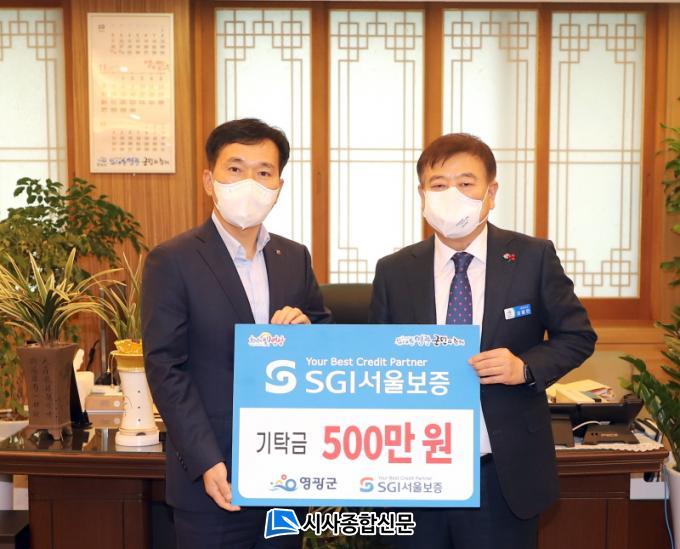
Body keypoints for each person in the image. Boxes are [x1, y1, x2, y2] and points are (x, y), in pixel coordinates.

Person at [369, 133, 597, 549]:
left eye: (466, 183)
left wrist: (524, 367)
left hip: (500, 472)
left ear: (491, 193)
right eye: (439, 185)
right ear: (422, 195)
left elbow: (578, 336)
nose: (452, 195)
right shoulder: (395, 270)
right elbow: (378, 361)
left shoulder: (531, 257)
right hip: (415, 472)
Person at [142, 118, 331, 548]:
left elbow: (324, 337)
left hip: (284, 473)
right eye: (235, 169)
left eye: (263, 172)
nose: (250, 183)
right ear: (209, 181)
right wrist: (206, 460)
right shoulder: (172, 260)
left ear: (278, 186)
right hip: (212, 478)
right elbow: (165, 367)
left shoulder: (293, 257)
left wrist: (306, 331)